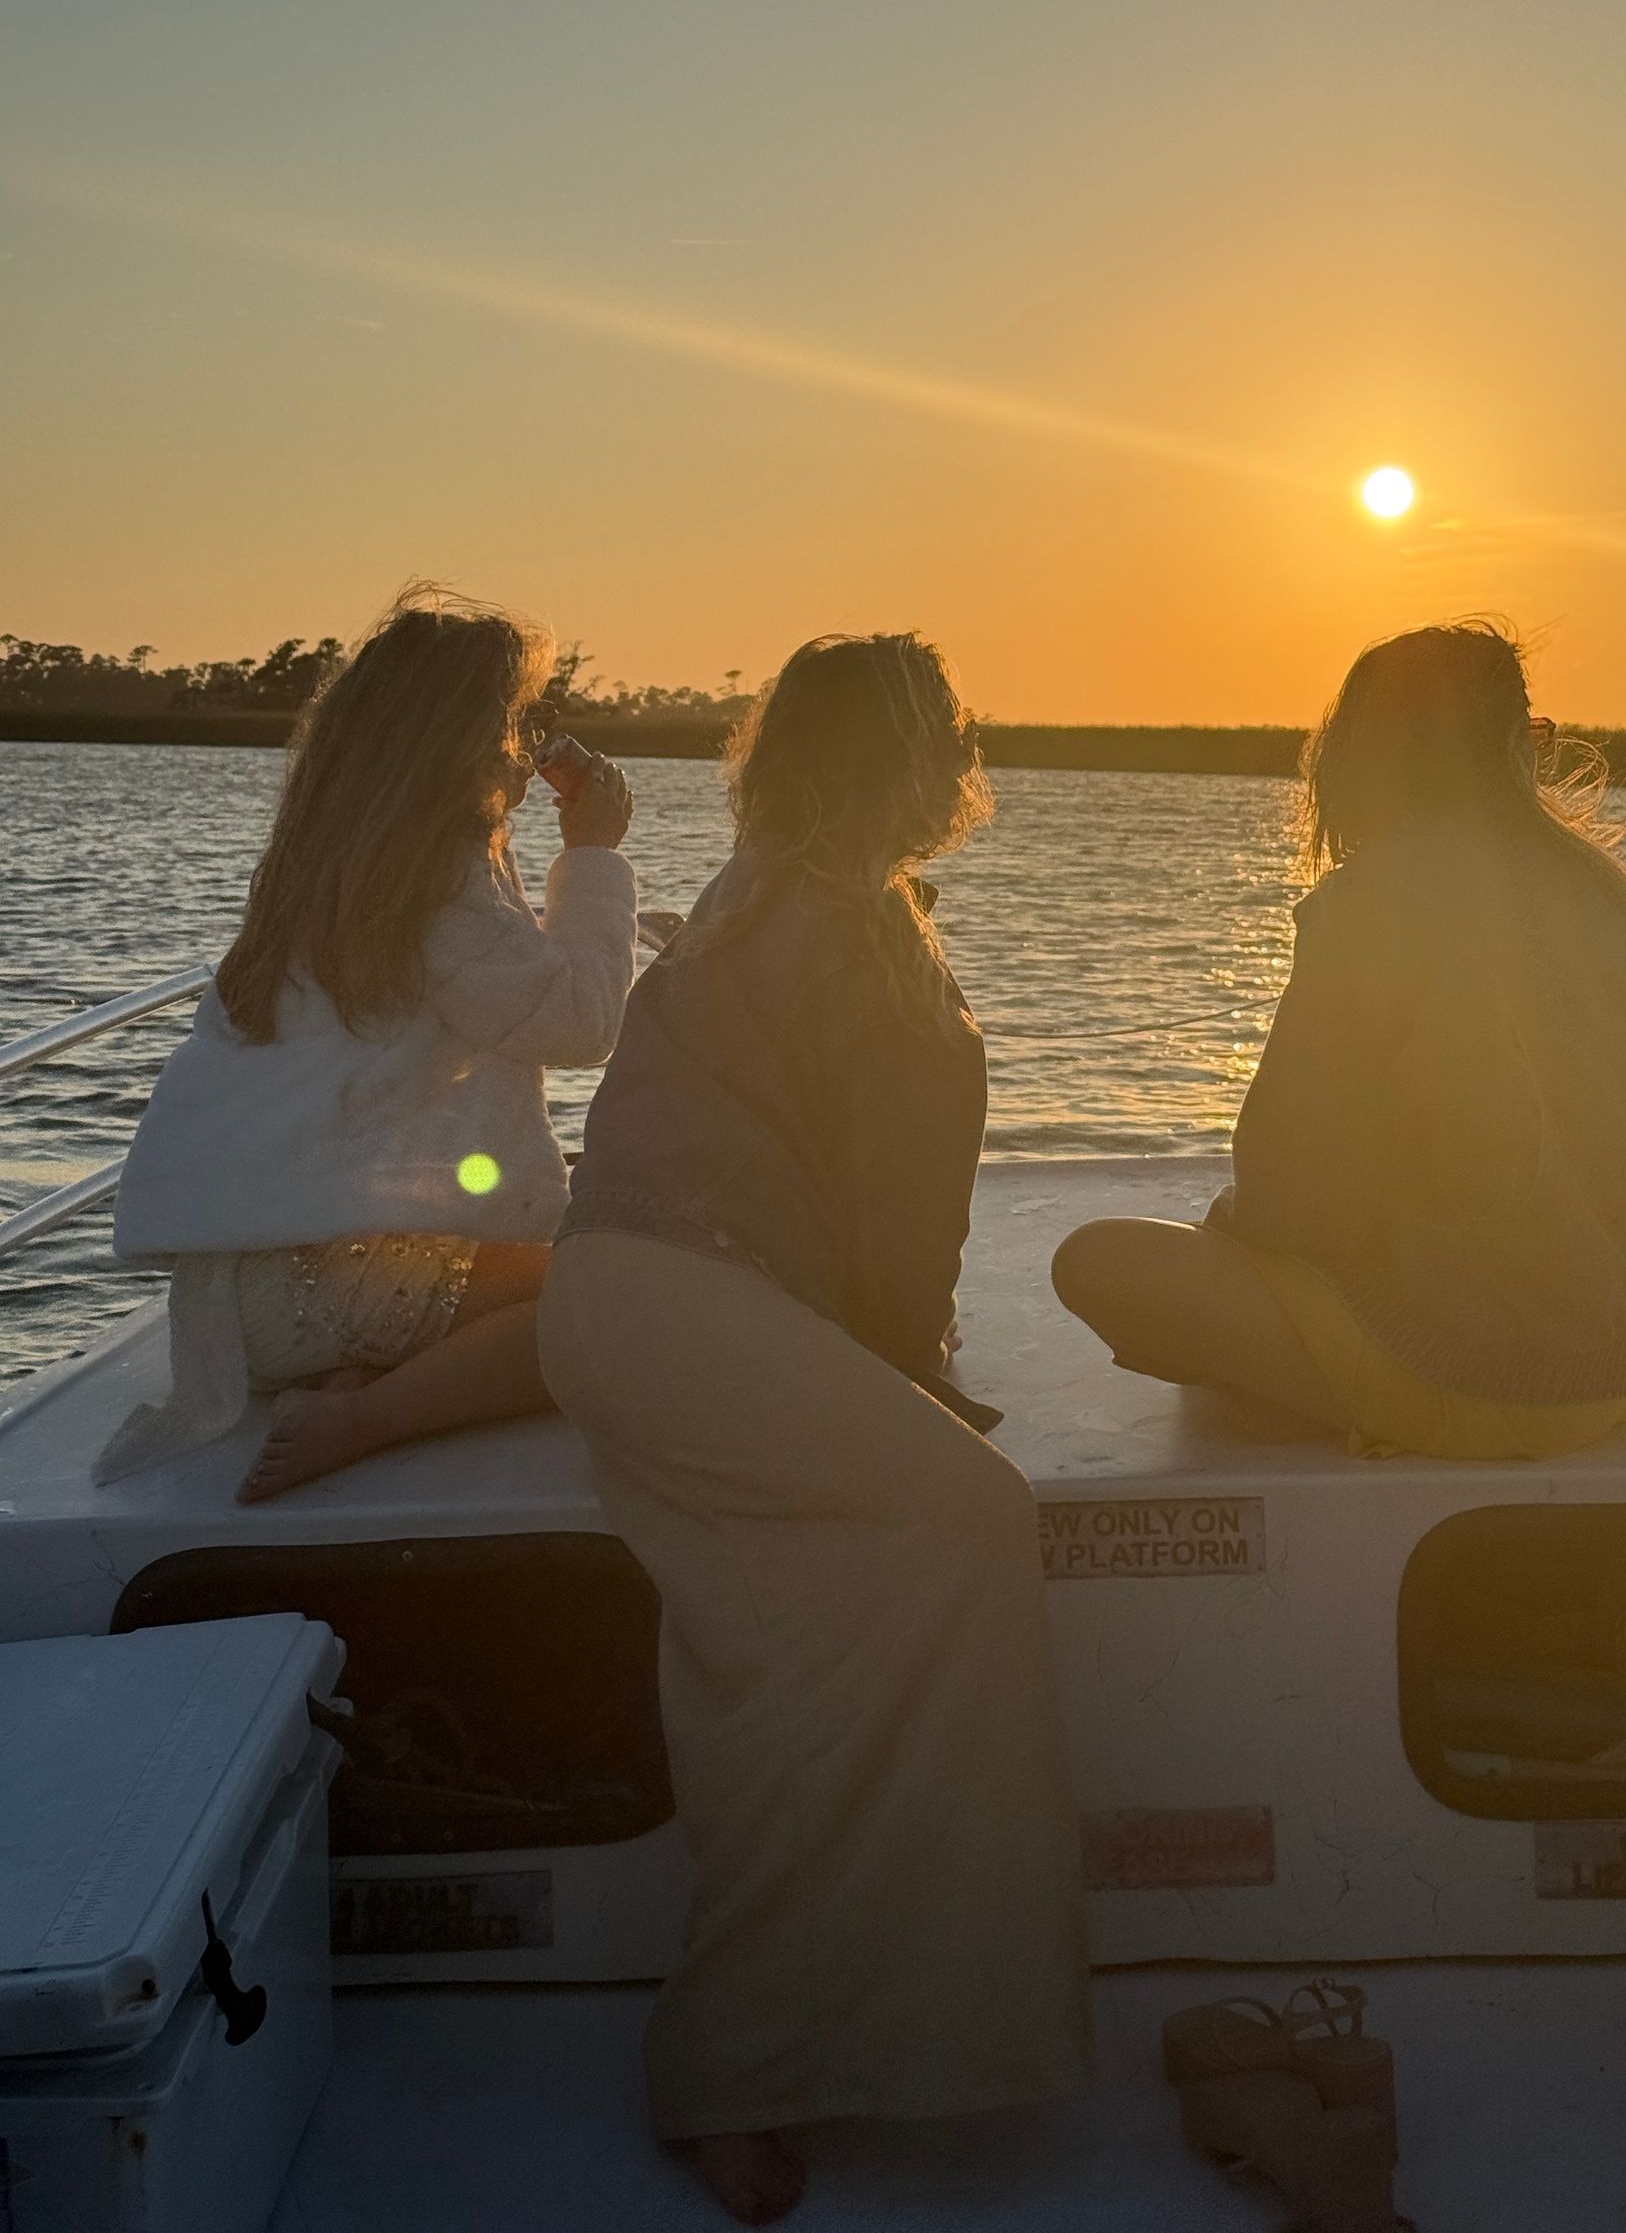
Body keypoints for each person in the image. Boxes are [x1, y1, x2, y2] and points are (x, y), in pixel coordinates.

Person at [540, 633, 1091, 2227]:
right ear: (930, 766)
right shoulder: (860, 935)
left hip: (624, 1308)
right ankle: (748, 2063)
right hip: (699, 1318)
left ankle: (832, 2039)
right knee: (970, 1523)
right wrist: (911, 1381)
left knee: (800, 1640)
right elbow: (897, 1248)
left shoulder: (750, 894)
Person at [1053, 620, 1626, 1467]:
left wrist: (1239, 1238)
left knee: (1098, 1263)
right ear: (1517, 749)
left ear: (1361, 756)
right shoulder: (1618, 903)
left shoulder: (1374, 904)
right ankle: (1317, 1389)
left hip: (1497, 1376)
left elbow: (1286, 1197)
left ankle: (1327, 1397)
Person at [104, 587, 639, 1498]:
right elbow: (579, 1022)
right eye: (515, 725)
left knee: (613, 1219)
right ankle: (363, 1418)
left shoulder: (331, 868)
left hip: (254, 1287)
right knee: (626, 1303)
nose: (527, 747)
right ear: (461, 741)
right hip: (325, 1286)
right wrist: (592, 853)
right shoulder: (439, 881)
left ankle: (378, 1375)